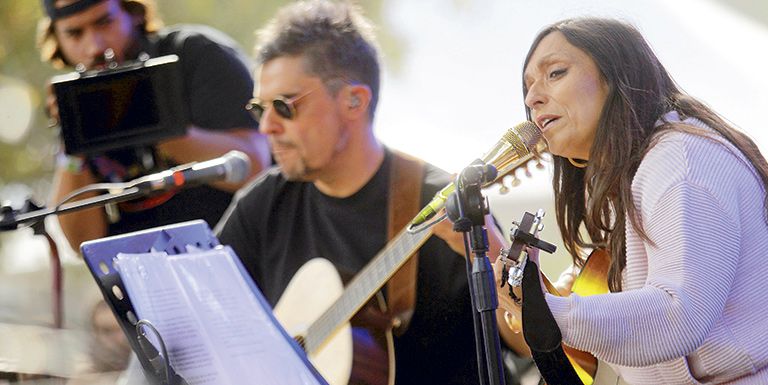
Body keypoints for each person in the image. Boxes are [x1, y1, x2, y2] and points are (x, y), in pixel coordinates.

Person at [215, 1, 524, 384]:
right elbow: (209, 321)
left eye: (283, 106)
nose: (266, 127)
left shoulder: (441, 202)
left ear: (354, 101)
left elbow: (529, 345)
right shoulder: (264, 203)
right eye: (259, 108)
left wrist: (490, 250)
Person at [516, 17, 768, 384]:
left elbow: (678, 314)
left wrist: (549, 313)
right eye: (529, 86)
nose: (533, 97)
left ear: (617, 76)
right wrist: (521, 290)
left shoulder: (682, 160)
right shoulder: (627, 173)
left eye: (556, 73)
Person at [37, 0, 270, 251]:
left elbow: (255, 166)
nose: (94, 46)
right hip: (155, 275)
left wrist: (142, 114)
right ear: (57, 40)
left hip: (240, 254)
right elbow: (83, 241)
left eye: (104, 22)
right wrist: (73, 144)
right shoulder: (78, 98)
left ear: (132, 12)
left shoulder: (194, 54)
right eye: (74, 33)